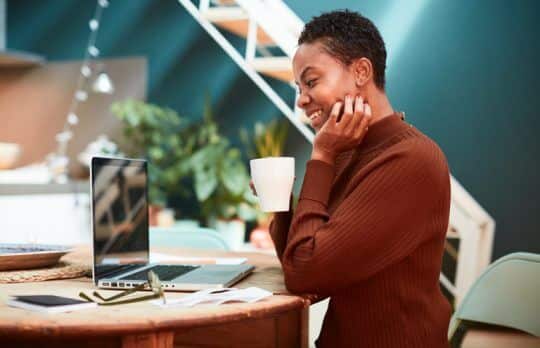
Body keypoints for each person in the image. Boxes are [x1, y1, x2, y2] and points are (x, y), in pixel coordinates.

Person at [253, 10, 452, 348]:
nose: (301, 99)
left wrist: (322, 156)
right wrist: (281, 203)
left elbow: (305, 273)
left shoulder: (410, 161)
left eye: (311, 82)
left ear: (361, 71)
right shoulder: (349, 151)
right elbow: (298, 261)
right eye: (298, 88)